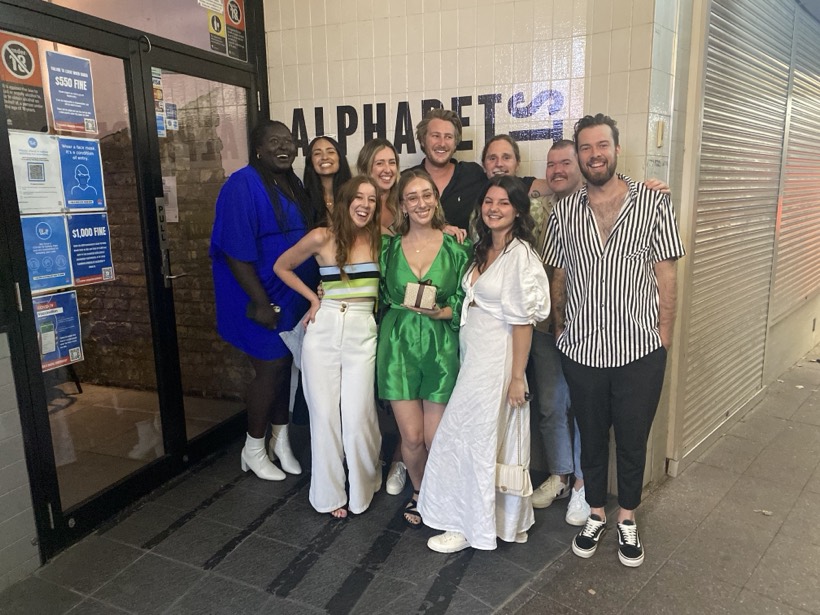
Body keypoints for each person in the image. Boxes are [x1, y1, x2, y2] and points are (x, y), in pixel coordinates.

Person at [545, 114, 685, 567]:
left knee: (631, 436)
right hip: (581, 349)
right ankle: (596, 512)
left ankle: (627, 517)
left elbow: (666, 272)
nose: (594, 154)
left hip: (639, 348)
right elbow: (558, 273)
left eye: (601, 145)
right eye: (586, 148)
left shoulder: (653, 202)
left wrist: (663, 333)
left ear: (616, 149)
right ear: (579, 156)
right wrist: (560, 326)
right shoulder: (563, 211)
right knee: (590, 434)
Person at [418, 175, 550, 552]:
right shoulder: (483, 248)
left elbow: (524, 321)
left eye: (503, 203)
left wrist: (516, 377)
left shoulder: (520, 255)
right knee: (471, 438)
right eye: (489, 201)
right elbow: (472, 303)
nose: (493, 208)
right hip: (473, 357)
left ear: (519, 210)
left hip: (498, 361)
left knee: (473, 439)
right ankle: (481, 519)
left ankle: (468, 525)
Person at [210, 120, 322, 481]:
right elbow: (235, 252)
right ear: (257, 148)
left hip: (291, 294)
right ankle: (253, 447)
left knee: (284, 368)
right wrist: (260, 302)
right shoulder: (242, 184)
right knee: (269, 369)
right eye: (274, 141)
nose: (283, 147)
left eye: (288, 141)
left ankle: (280, 440)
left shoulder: (292, 183)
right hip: (258, 296)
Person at [274, 176, 383, 518]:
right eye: (359, 197)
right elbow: (282, 266)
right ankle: (328, 494)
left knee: (358, 415)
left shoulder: (381, 240)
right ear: (346, 200)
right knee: (323, 417)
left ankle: (365, 484)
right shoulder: (322, 236)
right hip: (324, 329)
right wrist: (312, 298)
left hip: (362, 331)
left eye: (372, 199)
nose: (365, 204)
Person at [377, 169, 472, 527]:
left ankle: (440, 494)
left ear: (436, 198)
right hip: (399, 344)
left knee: (436, 437)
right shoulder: (387, 247)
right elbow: (367, 282)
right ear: (402, 204)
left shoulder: (456, 248)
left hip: (440, 345)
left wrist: (444, 310)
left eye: (427, 195)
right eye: (412, 197)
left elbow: (468, 300)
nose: (421, 203)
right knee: (412, 439)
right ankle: (419, 491)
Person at [410, 109, 486, 232]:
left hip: (464, 251)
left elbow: (506, 186)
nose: (442, 143)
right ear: (423, 140)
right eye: (435, 136)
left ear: (455, 143)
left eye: (448, 137)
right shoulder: (407, 180)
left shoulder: (473, 175)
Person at [303, 135, 352, 222]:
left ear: (340, 158)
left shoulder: (354, 195)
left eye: (330, 152)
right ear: (310, 161)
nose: (325, 157)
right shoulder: (302, 199)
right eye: (317, 153)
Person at [357, 138, 400, 234]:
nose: (388, 170)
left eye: (392, 163)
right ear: (365, 168)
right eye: (380, 163)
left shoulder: (404, 202)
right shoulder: (353, 204)